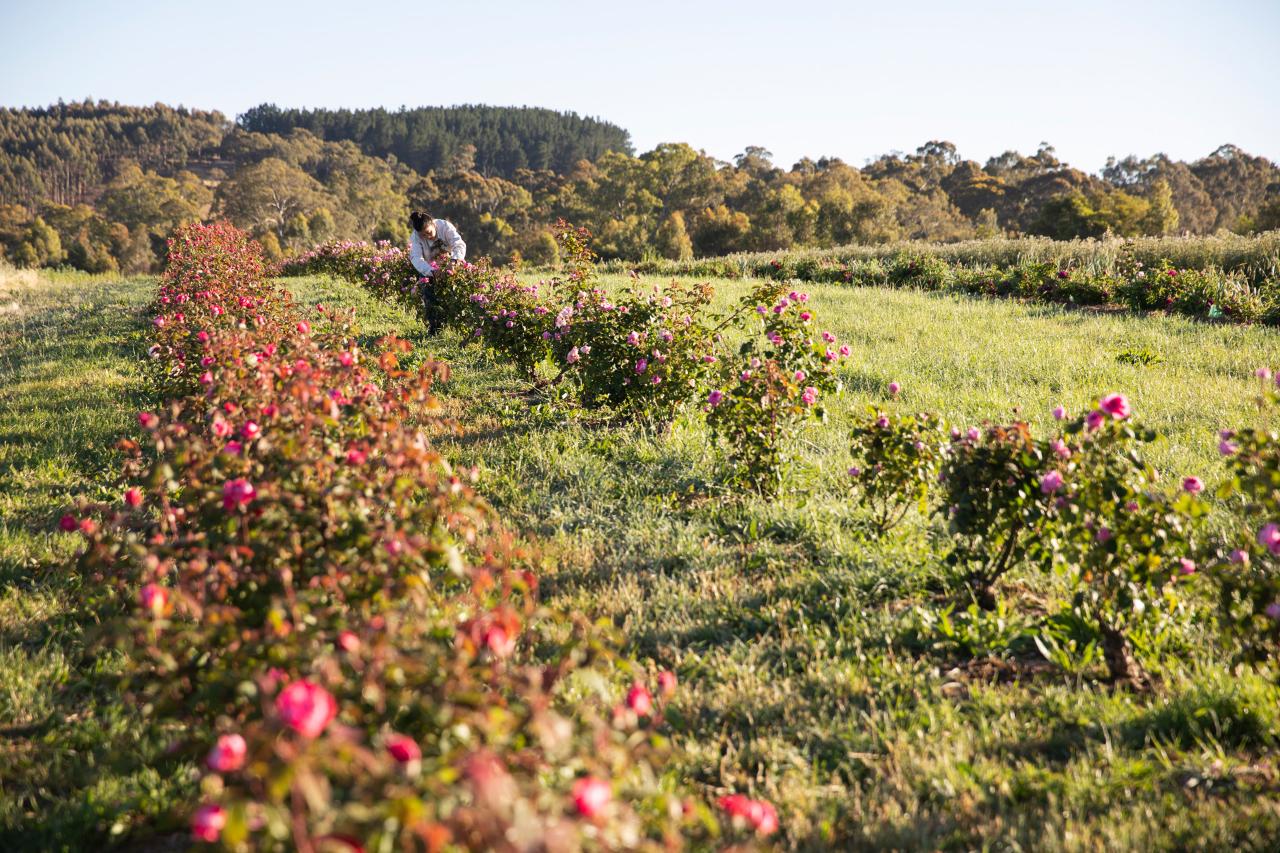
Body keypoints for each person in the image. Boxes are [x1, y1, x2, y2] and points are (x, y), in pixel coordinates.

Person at [407, 211, 466, 335]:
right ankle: (435, 329)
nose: (427, 237)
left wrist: (454, 261)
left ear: (433, 224)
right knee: (428, 294)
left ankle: (459, 326)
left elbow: (459, 244)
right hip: (430, 269)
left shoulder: (445, 226)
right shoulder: (415, 237)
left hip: (451, 263)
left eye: (428, 233)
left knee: (458, 293)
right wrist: (432, 272)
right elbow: (416, 258)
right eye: (423, 235)